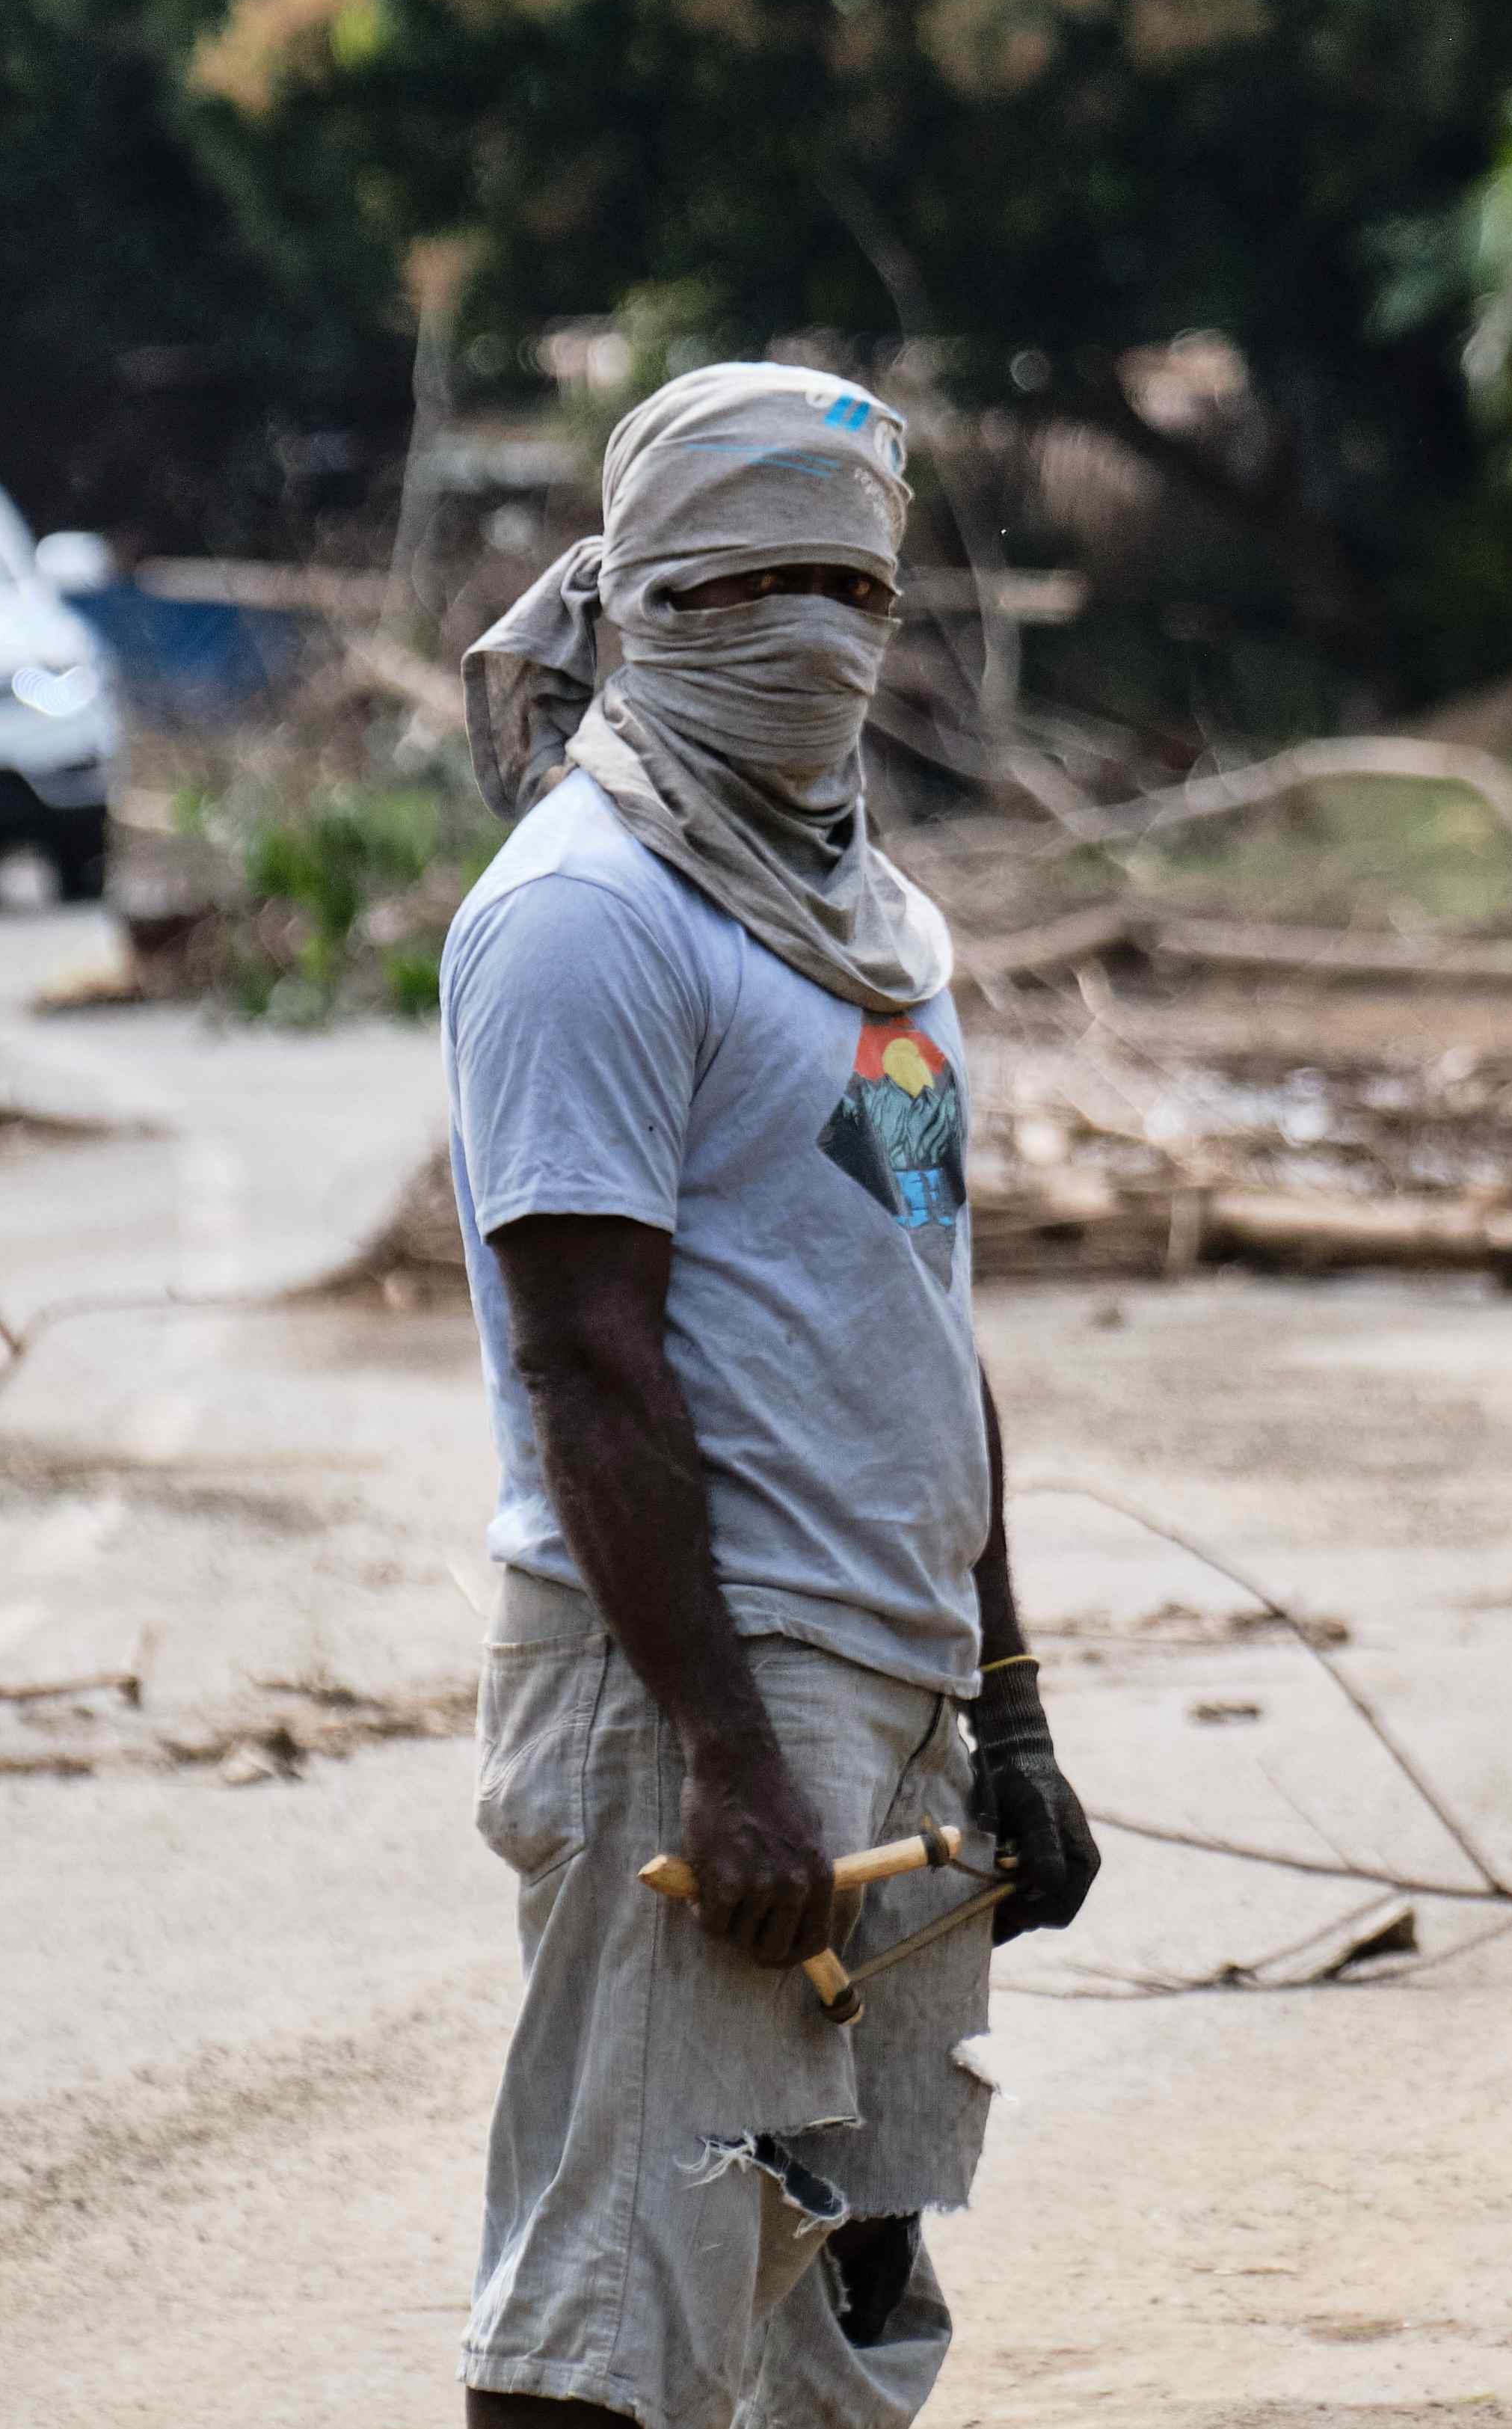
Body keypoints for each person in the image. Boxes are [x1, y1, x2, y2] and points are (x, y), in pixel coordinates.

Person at [440, 362, 1101, 2429]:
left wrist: (1006, 1700)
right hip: (692, 1689)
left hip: (891, 1684)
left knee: (847, 2281)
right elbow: (585, 1360)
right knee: (613, 2301)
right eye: (755, 582)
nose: (816, 627)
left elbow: (925, 1308)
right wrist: (728, 1754)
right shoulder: (580, 918)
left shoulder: (876, 933)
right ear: (642, 599)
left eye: (853, 580)